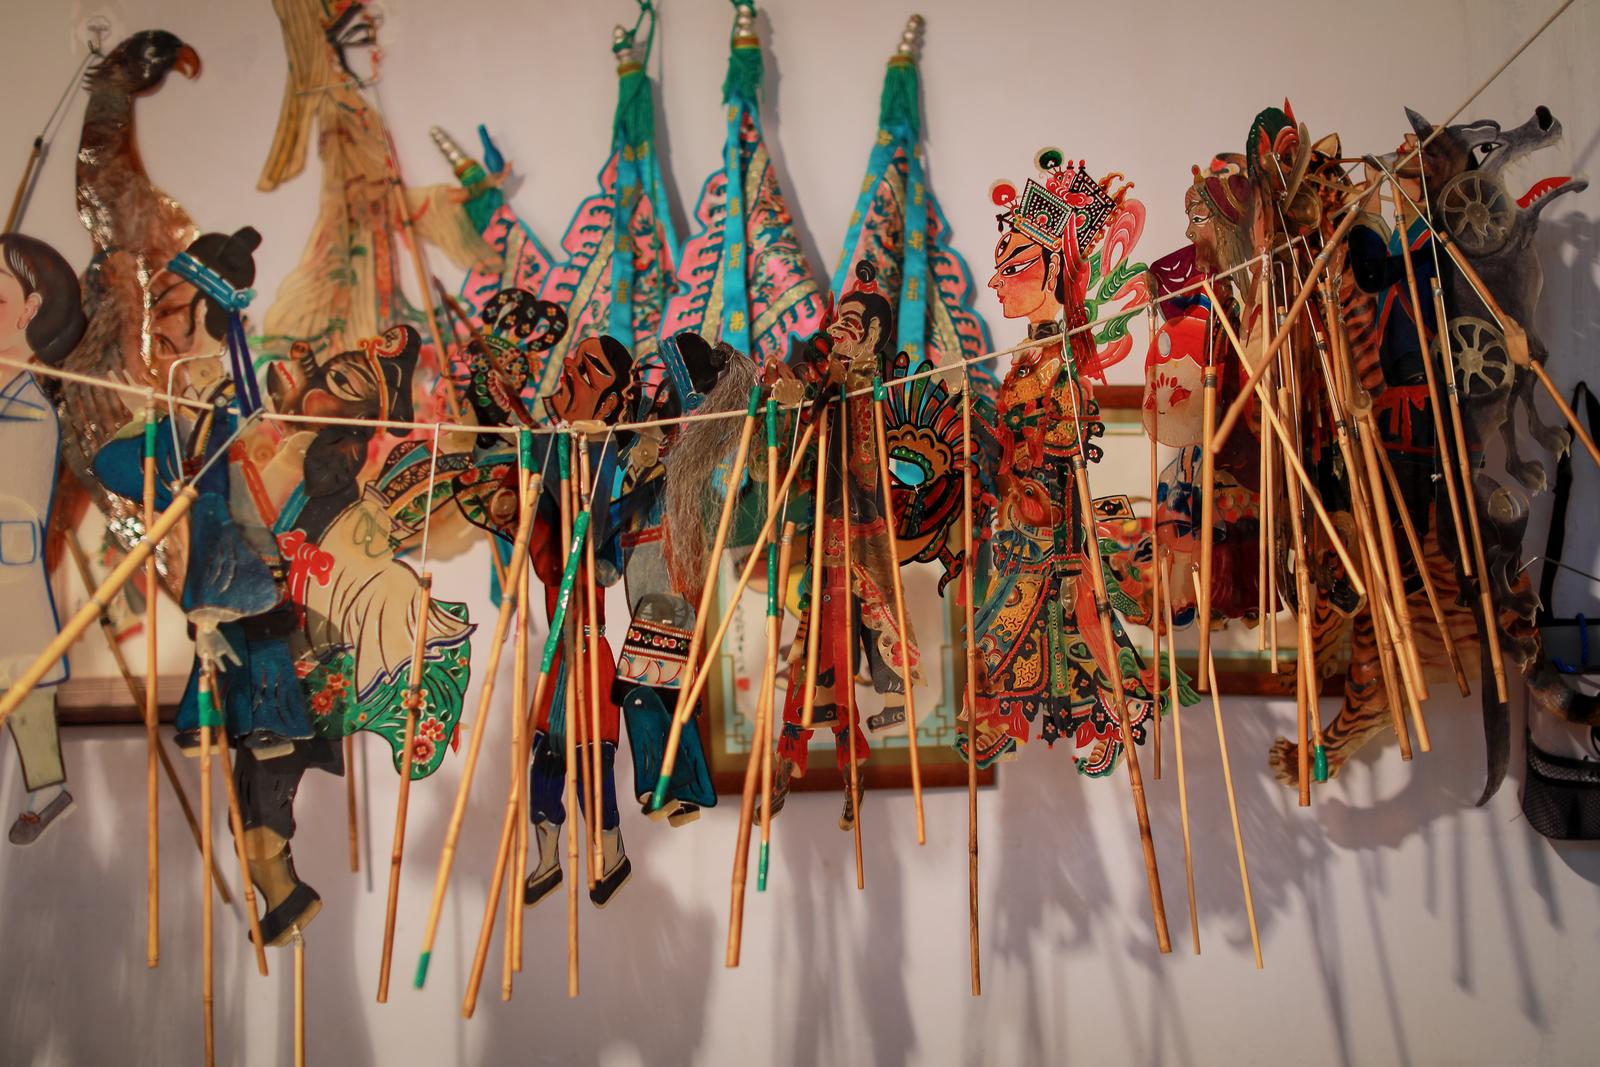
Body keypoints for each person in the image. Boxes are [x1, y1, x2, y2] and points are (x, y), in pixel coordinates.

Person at [960, 155, 1160, 777]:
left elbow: (1068, 445)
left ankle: (1109, 712)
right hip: (1021, 519)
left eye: (1013, 267)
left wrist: (1047, 438)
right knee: (1019, 628)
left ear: (1052, 271)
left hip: (1051, 523)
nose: (997, 282)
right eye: (1000, 267)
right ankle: (1023, 716)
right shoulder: (1030, 356)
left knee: (1045, 624)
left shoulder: (1063, 362)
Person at [0, 233, 86, 844]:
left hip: (9, 561)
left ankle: (47, 789)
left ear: (31, 308)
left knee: (24, 678)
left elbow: (19, 498)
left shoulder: (29, 406)